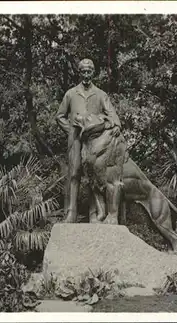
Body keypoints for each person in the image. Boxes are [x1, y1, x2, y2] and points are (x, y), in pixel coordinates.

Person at [55, 58, 122, 223]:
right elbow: (59, 116)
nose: (86, 75)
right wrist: (71, 130)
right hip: (76, 140)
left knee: (94, 176)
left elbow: (113, 117)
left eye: (89, 71)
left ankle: (94, 215)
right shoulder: (71, 93)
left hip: (94, 142)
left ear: (93, 72)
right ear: (79, 73)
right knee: (74, 174)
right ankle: (71, 213)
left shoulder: (100, 94)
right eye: (83, 71)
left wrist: (112, 125)